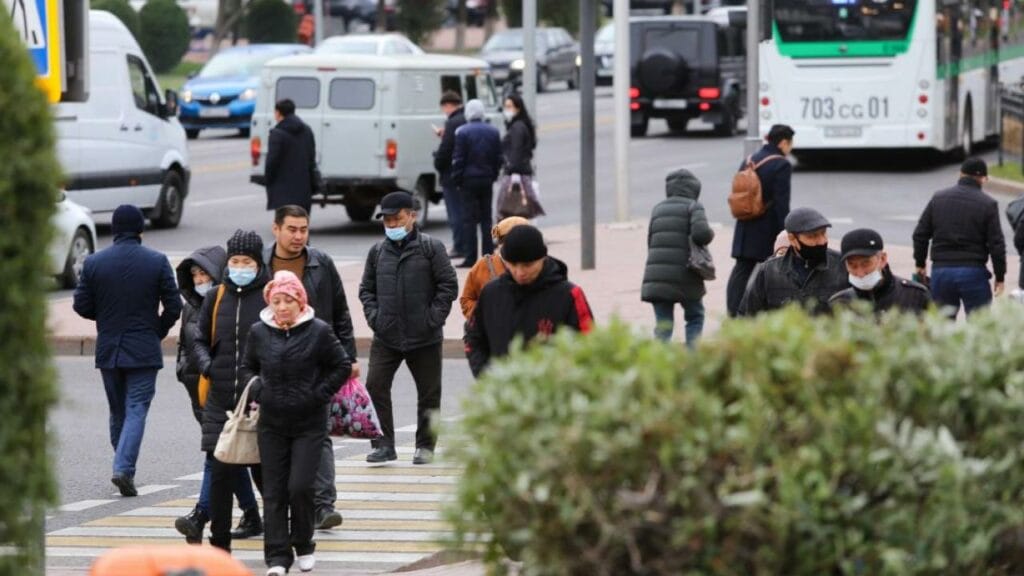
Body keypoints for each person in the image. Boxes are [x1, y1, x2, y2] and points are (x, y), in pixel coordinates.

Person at [242, 271, 352, 576]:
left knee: (300, 487)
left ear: (300, 302)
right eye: (276, 301)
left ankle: (303, 542)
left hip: (309, 424)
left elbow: (342, 365)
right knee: (275, 492)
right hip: (272, 424)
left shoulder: (318, 331)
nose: (282, 307)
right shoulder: (259, 332)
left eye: (288, 300)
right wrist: (257, 388)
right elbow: (247, 366)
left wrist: (320, 394)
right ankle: (277, 558)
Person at [73, 204, 181, 497]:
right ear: (140, 230)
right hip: (144, 349)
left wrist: (107, 319)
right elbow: (175, 305)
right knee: (136, 409)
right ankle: (123, 469)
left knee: (117, 410)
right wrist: (157, 330)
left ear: (116, 230)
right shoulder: (157, 261)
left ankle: (122, 465)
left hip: (109, 349)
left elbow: (81, 305)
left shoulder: (95, 263)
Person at [262, 204, 357, 530]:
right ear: (276, 229)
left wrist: (350, 355)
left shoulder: (320, 263)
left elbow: (340, 313)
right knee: (273, 436)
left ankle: (323, 505)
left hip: (315, 360)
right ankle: (280, 504)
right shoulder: (261, 264)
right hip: (272, 361)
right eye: (292, 229)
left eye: (304, 229)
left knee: (319, 432)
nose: (299, 236)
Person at [359, 192, 458, 465]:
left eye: (397, 219)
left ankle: (424, 447)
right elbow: (366, 290)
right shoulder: (377, 252)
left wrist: (432, 318)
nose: (392, 226)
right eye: (387, 221)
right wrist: (375, 318)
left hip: (424, 336)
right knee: (375, 386)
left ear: (412, 216)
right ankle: (383, 445)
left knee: (429, 393)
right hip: (386, 335)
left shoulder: (431, 248)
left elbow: (448, 286)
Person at [174, 245, 262, 544]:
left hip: (236, 393)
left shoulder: (229, 300)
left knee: (222, 455)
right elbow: (189, 345)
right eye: (195, 276)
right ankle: (251, 513)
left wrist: (213, 369)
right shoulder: (194, 305)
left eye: (204, 273)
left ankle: (201, 515)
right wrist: (190, 369)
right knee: (226, 454)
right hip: (203, 393)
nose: (200, 280)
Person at [193, 229, 270, 553]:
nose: (240, 266)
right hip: (221, 400)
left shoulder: (269, 296)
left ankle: (284, 536)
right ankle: (219, 547)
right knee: (221, 473)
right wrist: (207, 365)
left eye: (247, 261)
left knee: (266, 474)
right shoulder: (216, 296)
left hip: (259, 402)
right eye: (235, 261)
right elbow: (198, 338)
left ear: (257, 263)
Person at [465, 225, 594, 377]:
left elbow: (589, 345)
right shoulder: (491, 294)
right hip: (501, 393)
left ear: (543, 259)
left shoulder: (569, 295)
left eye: (528, 265)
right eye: (512, 264)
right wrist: (486, 376)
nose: (520, 272)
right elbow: (473, 338)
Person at [912, 158, 1006, 318]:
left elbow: (920, 234)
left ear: (961, 174)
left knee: (942, 325)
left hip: (941, 272)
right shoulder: (988, 204)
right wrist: (1000, 276)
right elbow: (996, 244)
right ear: (983, 179)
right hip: (973, 272)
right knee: (979, 326)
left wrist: (920, 263)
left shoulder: (938, 198)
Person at [641, 168, 714, 347]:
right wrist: (710, 233)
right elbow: (701, 235)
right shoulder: (693, 206)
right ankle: (691, 358)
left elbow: (651, 241)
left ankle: (659, 362)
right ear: (694, 189)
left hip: (657, 277)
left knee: (663, 325)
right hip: (686, 275)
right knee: (695, 316)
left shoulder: (658, 208)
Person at [726, 124, 795, 317]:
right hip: (767, 227)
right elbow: (782, 202)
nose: (790, 149)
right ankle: (767, 312)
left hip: (746, 223)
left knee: (741, 270)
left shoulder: (749, 160)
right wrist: (785, 232)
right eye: (790, 144)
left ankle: (733, 312)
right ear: (783, 142)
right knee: (773, 271)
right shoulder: (781, 164)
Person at [739, 207, 848, 316]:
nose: (821, 241)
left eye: (823, 233)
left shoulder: (842, 266)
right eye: (812, 236)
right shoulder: (769, 272)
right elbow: (747, 317)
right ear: (792, 239)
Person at [451, 98, 503, 268]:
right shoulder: (493, 132)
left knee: (469, 220)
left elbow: (458, 159)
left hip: (468, 181)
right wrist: (493, 175)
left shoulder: (462, 132)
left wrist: (457, 179)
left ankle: (470, 256)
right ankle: (488, 255)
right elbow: (498, 158)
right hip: (486, 179)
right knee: (486, 218)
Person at [830, 228, 931, 314]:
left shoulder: (914, 295)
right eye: (852, 266)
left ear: (882, 259)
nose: (860, 273)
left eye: (866, 264)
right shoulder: (839, 303)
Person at [459, 216, 530, 320]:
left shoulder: (537, 263)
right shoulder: (484, 265)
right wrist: (484, 315)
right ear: (501, 244)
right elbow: (467, 299)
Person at [264, 99, 318, 214]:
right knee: (301, 226)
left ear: (278, 113)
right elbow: (311, 158)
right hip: (303, 191)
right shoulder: (307, 130)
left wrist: (268, 180)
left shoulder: (277, 134)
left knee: (286, 226)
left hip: (283, 193)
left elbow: (272, 162)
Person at [497, 94, 544, 220]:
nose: (506, 110)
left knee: (507, 211)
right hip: (523, 172)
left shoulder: (517, 127)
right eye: (505, 106)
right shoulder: (520, 125)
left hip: (516, 174)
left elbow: (516, 151)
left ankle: (504, 237)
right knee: (520, 212)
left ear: (517, 108)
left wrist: (512, 171)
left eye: (509, 106)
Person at [433, 90, 467, 259]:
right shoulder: (465, 119)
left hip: (451, 175)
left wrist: (437, 163)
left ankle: (459, 246)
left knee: (455, 213)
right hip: (465, 174)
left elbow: (446, 150)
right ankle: (467, 245)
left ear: (448, 105)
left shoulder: (452, 122)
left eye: (444, 108)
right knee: (465, 211)